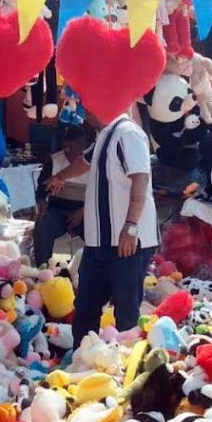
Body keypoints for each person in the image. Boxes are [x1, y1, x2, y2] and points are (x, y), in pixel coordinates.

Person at [47, 113, 159, 349]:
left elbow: (140, 179)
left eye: (89, 106)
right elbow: (84, 163)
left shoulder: (128, 134)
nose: (85, 114)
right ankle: (78, 358)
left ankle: (125, 364)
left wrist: (130, 226)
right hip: (99, 240)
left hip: (126, 240)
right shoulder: (105, 135)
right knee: (86, 305)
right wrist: (60, 176)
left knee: (126, 310)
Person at [33, 126, 90, 266]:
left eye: (72, 146)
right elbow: (42, 189)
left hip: (85, 211)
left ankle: (88, 269)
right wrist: (42, 205)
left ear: (83, 146)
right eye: (65, 146)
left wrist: (84, 211)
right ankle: (43, 268)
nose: (67, 150)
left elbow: (102, 195)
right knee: (43, 224)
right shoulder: (54, 160)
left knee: (98, 231)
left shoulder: (93, 162)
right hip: (57, 210)